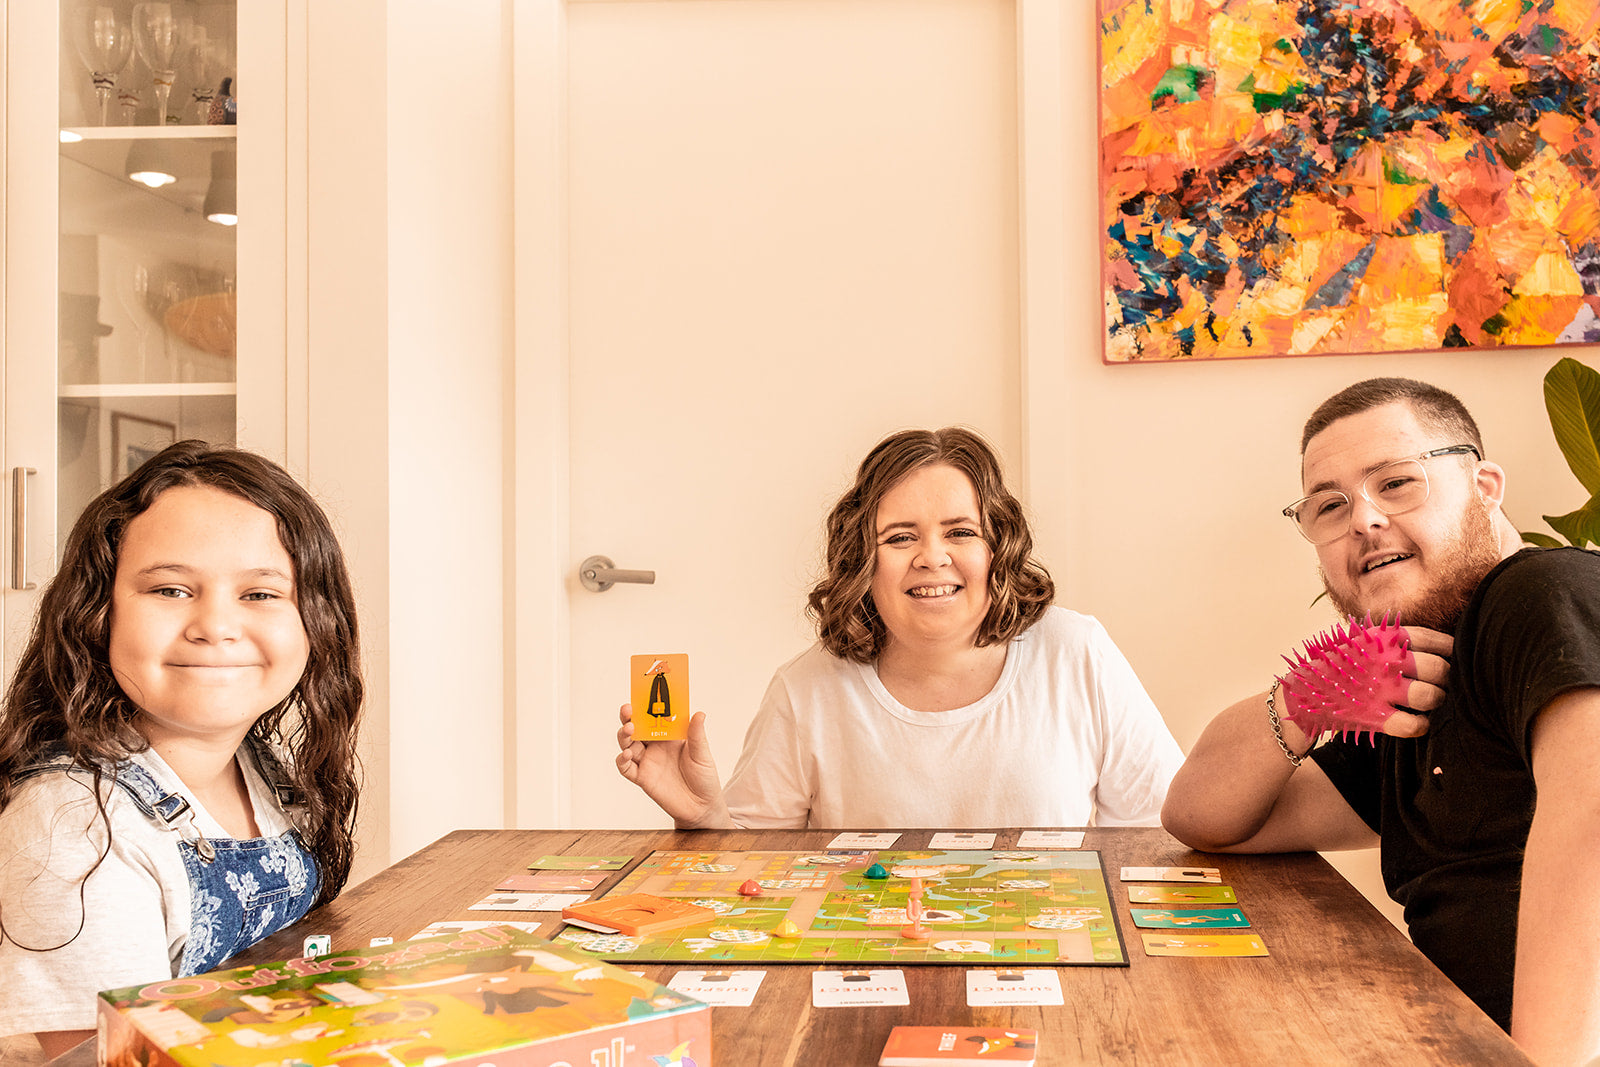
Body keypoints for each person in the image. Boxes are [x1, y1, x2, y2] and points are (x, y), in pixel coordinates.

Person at [1162, 378, 1600, 1067]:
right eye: (1329, 506)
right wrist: (1310, 693)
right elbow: (1203, 815)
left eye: (1397, 482)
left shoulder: (1538, 593)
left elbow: (1593, 818)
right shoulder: (1425, 684)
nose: (1362, 520)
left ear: (1485, 486)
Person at [616, 427, 1182, 829]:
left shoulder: (1078, 652)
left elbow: (1159, 829)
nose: (932, 557)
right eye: (901, 537)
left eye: (960, 532)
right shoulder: (806, 688)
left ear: (997, 548)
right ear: (863, 559)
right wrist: (706, 817)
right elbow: (755, 874)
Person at [0, 442, 364, 1057]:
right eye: (170, 590)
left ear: (316, 622)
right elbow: (117, 1059)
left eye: (259, 594)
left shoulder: (261, 771)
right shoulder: (77, 828)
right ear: (97, 614)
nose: (215, 625)